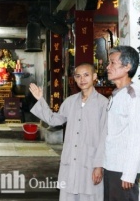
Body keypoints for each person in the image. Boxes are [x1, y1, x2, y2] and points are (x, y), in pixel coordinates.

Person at [29, 63, 108, 201]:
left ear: (94, 77)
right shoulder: (70, 102)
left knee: (90, 196)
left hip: (90, 163)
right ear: (74, 79)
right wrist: (40, 99)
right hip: (71, 161)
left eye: (86, 75)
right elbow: (54, 120)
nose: (82, 79)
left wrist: (99, 166)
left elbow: (104, 137)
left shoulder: (103, 104)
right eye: (78, 76)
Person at [103, 46, 140, 201]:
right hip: (110, 166)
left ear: (127, 66)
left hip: (123, 171)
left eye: (112, 63)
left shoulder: (133, 96)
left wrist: (129, 173)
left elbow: (137, 137)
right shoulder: (117, 94)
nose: (108, 67)